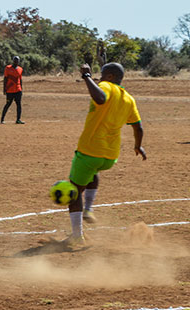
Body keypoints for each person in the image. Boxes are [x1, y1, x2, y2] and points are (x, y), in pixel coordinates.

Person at [62, 62, 146, 248]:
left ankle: (77, 236)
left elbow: (100, 99)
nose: (99, 78)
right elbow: (138, 127)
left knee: (73, 192)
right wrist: (138, 146)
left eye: (102, 75)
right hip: (110, 156)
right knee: (93, 171)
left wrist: (87, 76)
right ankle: (89, 209)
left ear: (110, 77)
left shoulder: (105, 86)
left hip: (90, 150)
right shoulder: (129, 99)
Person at [1, 56, 24, 124]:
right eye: (15, 60)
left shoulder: (20, 69)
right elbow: (5, 79)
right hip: (10, 90)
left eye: (17, 61)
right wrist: (4, 89)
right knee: (8, 104)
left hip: (18, 89)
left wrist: (21, 89)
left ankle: (18, 119)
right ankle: (2, 119)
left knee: (19, 104)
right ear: (13, 61)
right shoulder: (8, 68)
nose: (16, 62)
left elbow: (20, 79)